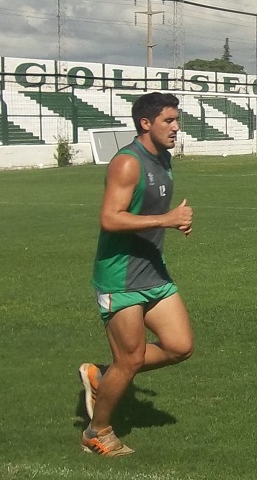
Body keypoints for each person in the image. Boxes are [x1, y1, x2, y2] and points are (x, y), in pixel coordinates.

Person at [78, 92, 195, 457]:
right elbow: (110, 218)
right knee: (128, 360)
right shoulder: (127, 163)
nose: (176, 127)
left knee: (179, 346)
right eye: (168, 121)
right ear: (146, 123)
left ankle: (102, 376)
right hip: (120, 276)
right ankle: (96, 432)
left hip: (153, 271)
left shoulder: (163, 158)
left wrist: (173, 221)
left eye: (177, 120)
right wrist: (168, 219)